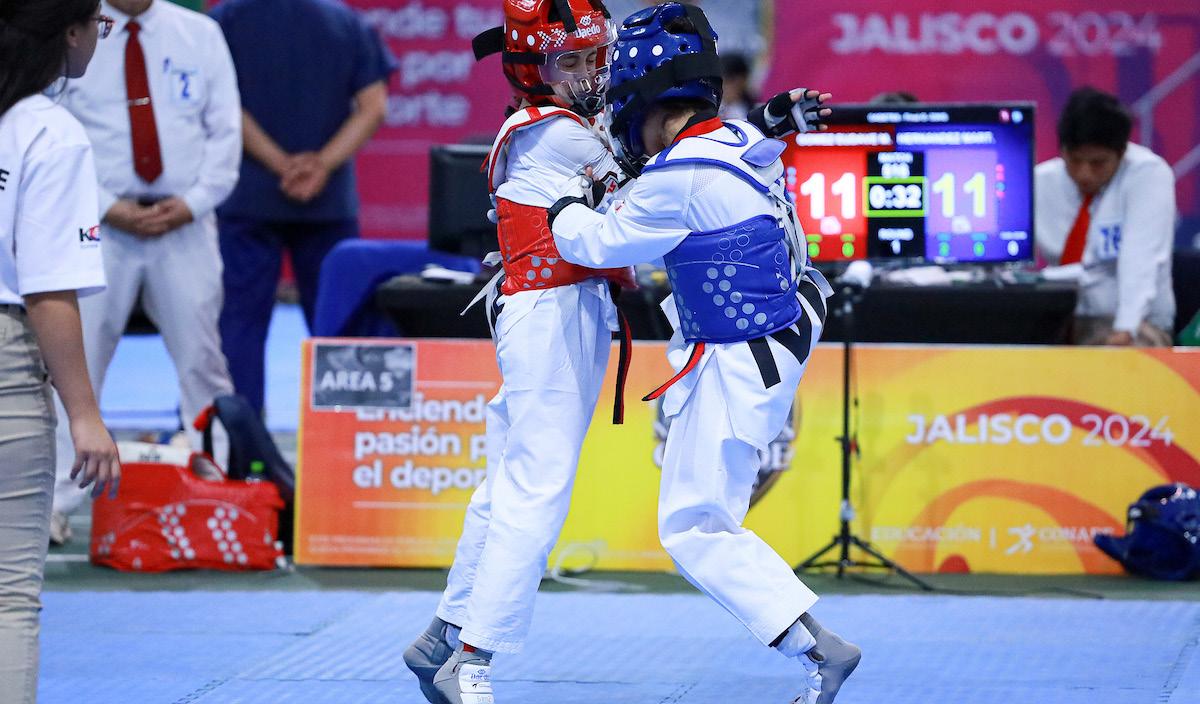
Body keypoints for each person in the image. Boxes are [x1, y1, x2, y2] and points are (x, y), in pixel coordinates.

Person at [546, 4, 860, 703]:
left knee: (695, 528)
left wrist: (560, 200)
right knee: (699, 521)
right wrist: (775, 120)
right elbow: (756, 141)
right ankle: (819, 648)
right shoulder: (737, 138)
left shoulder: (677, 175)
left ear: (645, 102)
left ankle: (823, 649)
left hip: (740, 362)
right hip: (768, 338)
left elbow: (593, 243)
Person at [402, 3, 636, 703]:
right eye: (571, 62)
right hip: (551, 316)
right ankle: (473, 661)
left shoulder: (561, 125)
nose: (589, 74)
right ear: (533, 70)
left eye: (595, 57)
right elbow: (648, 190)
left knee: (508, 485)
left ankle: (444, 633)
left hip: (555, 312)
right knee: (537, 490)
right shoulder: (556, 134)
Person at [49, 0, 240, 544]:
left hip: (185, 222)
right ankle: (56, 499)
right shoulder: (75, 31)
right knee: (75, 363)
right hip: (97, 221)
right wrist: (105, 205)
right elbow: (54, 131)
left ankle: (215, 490)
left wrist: (193, 203)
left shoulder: (200, 34)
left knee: (203, 362)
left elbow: (226, 133)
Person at [0, 0, 121, 698]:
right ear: (70, 32)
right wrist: (84, 414)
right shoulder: (49, 131)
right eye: (99, 24)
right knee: (8, 593)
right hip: (6, 360)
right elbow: (48, 291)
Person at [209, 0, 396, 415]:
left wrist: (280, 164)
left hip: (249, 196)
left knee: (238, 326)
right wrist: (321, 165)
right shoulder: (346, 22)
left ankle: (239, 438)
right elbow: (374, 107)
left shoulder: (227, 19)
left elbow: (223, 104)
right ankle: (354, 433)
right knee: (343, 326)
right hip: (326, 201)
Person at [1036, 87, 1176, 346]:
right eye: (1074, 160)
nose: (1084, 174)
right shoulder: (1039, 182)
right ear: (1062, 150)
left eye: (1098, 163)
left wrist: (1126, 327)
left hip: (1135, 321)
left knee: (1123, 355)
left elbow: (1140, 258)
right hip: (1062, 319)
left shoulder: (1148, 175)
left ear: (1121, 153)